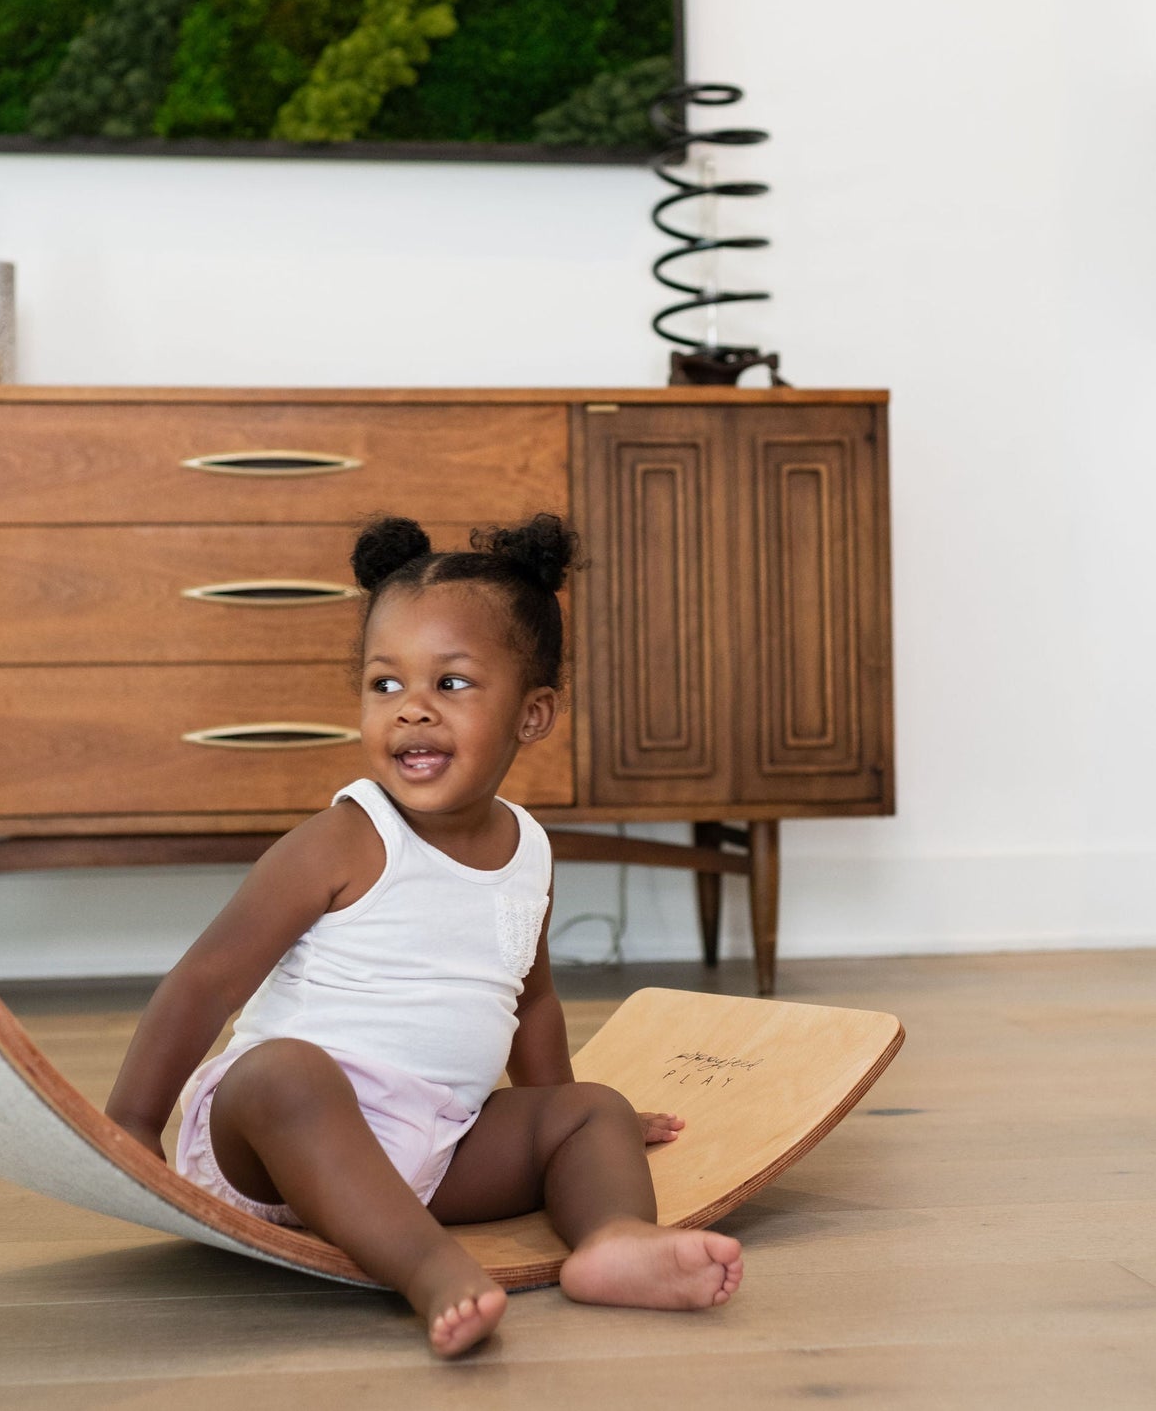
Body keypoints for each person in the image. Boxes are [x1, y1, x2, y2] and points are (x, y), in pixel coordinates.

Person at [105, 513, 743, 1357]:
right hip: (273, 1144)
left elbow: (533, 1000)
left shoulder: (530, 850)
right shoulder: (345, 837)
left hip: (432, 1149)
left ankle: (612, 1240)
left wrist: (566, 1120)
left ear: (532, 713)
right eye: (384, 685)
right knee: (281, 1072)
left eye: (450, 685)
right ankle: (431, 1269)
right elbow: (206, 983)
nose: (410, 710)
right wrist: (131, 1126)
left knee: (596, 1108)